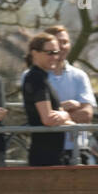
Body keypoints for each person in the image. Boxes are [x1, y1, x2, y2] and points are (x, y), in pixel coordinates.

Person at [26, 24, 95, 164]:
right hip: (48, 149)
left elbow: (87, 114)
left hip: (77, 148)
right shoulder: (35, 77)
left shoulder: (79, 76)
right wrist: (65, 112)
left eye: (65, 42)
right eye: (57, 44)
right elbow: (43, 116)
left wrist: (61, 113)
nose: (61, 48)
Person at [21, 32, 73, 167]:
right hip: (45, 156)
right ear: (35, 53)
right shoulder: (36, 78)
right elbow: (48, 118)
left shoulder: (41, 77)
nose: (55, 57)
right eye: (49, 53)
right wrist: (65, 114)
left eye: (56, 52)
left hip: (52, 153)